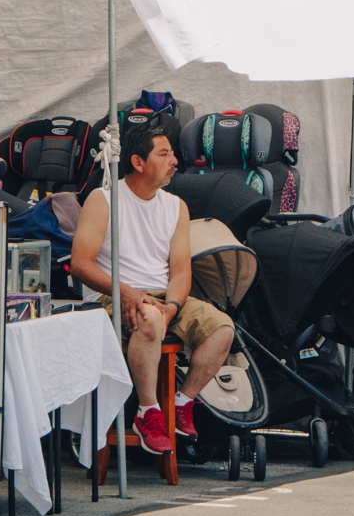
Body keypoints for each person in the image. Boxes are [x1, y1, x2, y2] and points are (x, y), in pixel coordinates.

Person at [69, 116, 238, 455]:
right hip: (111, 296)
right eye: (163, 154)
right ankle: (147, 412)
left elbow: (180, 273)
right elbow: (80, 265)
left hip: (161, 300)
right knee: (149, 318)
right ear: (138, 162)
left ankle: (182, 402)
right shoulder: (102, 200)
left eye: (172, 153)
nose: (174, 161)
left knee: (222, 328)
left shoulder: (176, 206)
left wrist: (172, 306)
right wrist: (129, 292)